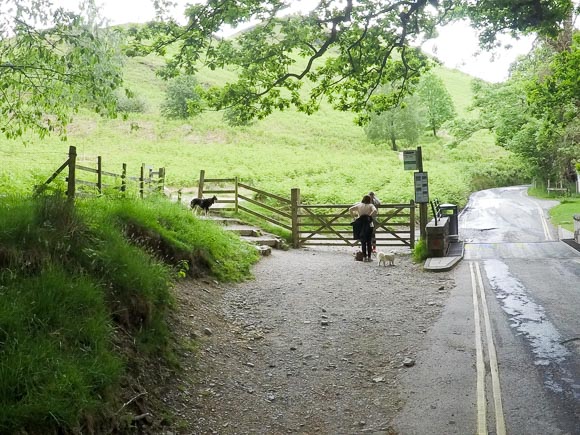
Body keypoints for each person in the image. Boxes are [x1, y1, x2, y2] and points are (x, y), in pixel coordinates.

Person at [349, 194, 377, 262]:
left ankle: (364, 257)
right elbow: (375, 211)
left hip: (360, 224)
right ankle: (369, 257)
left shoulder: (359, 205)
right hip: (369, 224)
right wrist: (369, 216)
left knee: (363, 241)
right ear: (369, 200)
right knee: (369, 241)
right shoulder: (371, 205)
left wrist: (354, 217)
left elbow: (350, 209)